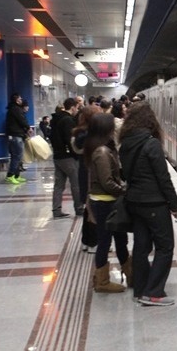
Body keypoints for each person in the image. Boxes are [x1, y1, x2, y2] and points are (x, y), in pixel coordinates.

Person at [119, 101, 177, 306]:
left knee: (141, 247)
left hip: (134, 202)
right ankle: (154, 292)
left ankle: (140, 289)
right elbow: (163, 178)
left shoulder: (125, 144)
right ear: (150, 120)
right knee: (165, 247)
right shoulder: (151, 143)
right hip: (154, 203)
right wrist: (174, 204)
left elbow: (124, 174)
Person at [84, 113, 131, 293]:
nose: (116, 128)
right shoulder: (102, 152)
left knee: (120, 239)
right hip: (105, 203)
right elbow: (107, 182)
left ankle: (130, 273)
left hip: (108, 202)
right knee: (105, 241)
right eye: (113, 126)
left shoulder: (101, 148)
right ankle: (102, 281)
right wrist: (125, 190)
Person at [72, 105, 103, 251]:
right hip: (92, 174)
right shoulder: (91, 136)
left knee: (88, 208)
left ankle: (86, 240)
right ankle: (93, 243)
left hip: (85, 173)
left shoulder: (80, 133)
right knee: (94, 208)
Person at [50, 97, 83, 218]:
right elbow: (70, 140)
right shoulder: (68, 120)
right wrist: (76, 154)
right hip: (68, 156)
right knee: (76, 184)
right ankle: (79, 208)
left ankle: (56, 209)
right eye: (77, 108)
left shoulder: (55, 118)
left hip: (57, 155)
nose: (77, 111)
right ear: (73, 107)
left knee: (59, 185)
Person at [4, 93, 29, 184]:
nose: (21, 100)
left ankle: (16, 175)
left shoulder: (13, 109)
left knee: (18, 156)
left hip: (16, 135)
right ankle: (10, 176)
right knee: (17, 156)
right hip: (16, 135)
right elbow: (21, 120)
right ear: (17, 100)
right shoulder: (16, 109)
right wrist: (28, 127)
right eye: (20, 98)